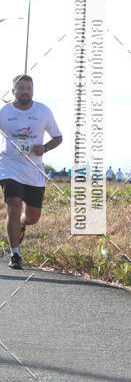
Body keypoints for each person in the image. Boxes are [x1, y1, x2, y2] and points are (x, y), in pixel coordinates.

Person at [0, 74, 62, 270]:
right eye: (21, 89)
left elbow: (58, 137)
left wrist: (45, 148)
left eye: (28, 89)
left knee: (33, 216)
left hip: (34, 169)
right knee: (14, 205)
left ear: (32, 91)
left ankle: (21, 224)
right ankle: (15, 254)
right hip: (9, 165)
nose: (25, 92)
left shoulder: (43, 111)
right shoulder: (5, 111)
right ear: (13, 92)